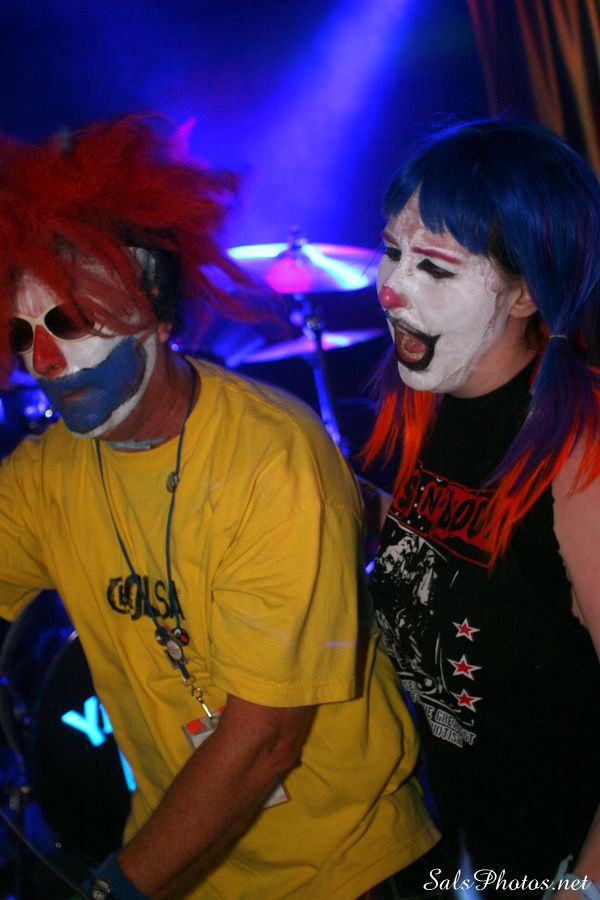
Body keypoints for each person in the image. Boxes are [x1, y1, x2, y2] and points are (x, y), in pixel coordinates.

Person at [0, 118, 439, 899]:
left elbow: (263, 742)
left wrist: (114, 890)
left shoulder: (272, 458)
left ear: (155, 310)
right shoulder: (48, 473)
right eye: (21, 332)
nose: (45, 359)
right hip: (184, 873)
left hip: (341, 872)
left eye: (69, 320)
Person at [363, 119, 600, 895]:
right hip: (478, 854)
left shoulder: (579, 452)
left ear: (527, 290)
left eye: (434, 266)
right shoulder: (431, 402)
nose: (392, 287)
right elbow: (459, 554)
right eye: (392, 252)